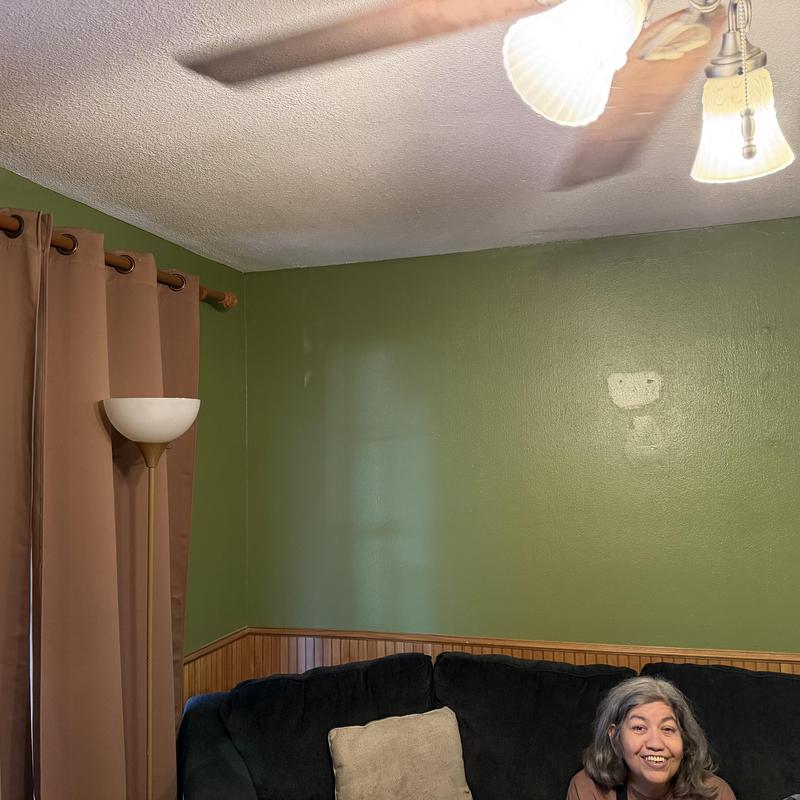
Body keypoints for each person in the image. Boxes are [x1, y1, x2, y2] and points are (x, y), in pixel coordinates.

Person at [566, 676, 736, 800]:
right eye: (639, 728)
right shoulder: (588, 789)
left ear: (685, 740)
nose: (655, 743)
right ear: (615, 739)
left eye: (668, 729)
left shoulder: (715, 793)